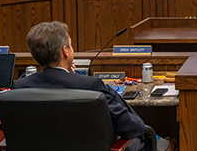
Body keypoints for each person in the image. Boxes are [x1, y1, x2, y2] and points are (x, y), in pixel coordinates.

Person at [13, 21, 175, 151]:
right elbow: (130, 127)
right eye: (70, 45)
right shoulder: (90, 86)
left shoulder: (19, 88)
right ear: (65, 52)